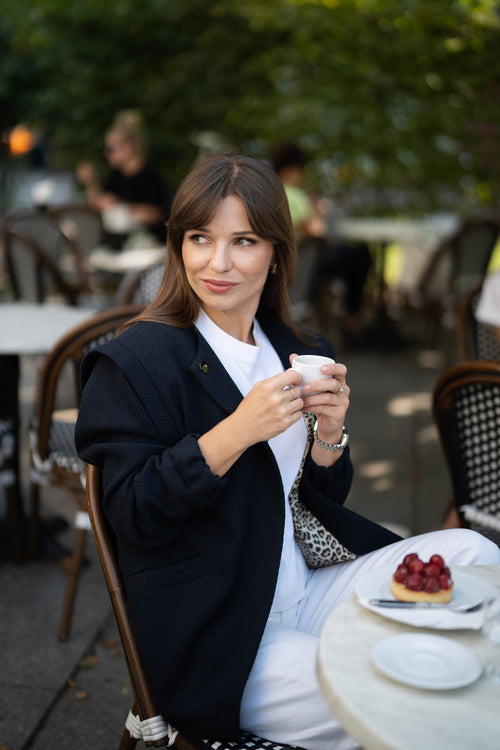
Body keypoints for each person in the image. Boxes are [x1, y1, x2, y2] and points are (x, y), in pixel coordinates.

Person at [75, 154, 500, 750]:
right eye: (200, 238)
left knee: (477, 552)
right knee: (405, 702)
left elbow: (317, 498)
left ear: (276, 252)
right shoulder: (136, 362)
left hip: (306, 585)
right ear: (179, 245)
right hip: (221, 629)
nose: (217, 263)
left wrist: (329, 435)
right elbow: (132, 512)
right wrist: (236, 430)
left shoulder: (297, 349)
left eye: (243, 241)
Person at [271, 142, 372, 347]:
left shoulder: (268, 193)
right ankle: (351, 316)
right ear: (295, 168)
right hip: (302, 269)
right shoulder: (295, 195)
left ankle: (347, 316)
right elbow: (317, 230)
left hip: (281, 267)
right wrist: (318, 210)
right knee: (360, 255)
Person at [76, 110, 169, 247]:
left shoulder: (149, 177)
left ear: (129, 147)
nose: (106, 154)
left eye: (110, 149)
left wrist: (120, 206)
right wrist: (90, 182)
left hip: (148, 248)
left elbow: (157, 214)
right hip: (120, 246)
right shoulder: (116, 175)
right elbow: (95, 208)